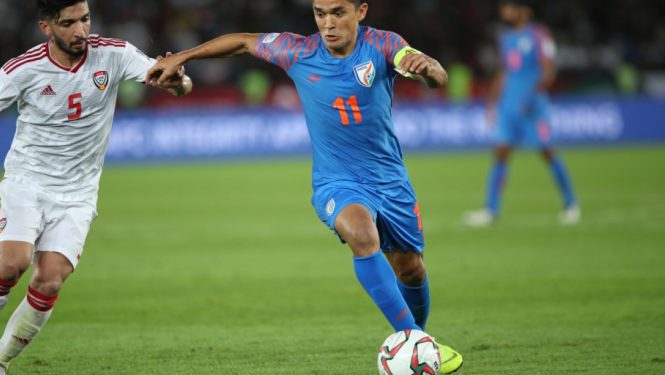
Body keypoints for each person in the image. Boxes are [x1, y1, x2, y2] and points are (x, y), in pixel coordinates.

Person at [146, 0, 463, 373]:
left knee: (411, 269)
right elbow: (243, 42)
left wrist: (428, 69)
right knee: (361, 235)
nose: (328, 23)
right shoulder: (298, 51)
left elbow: (437, 76)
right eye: (319, 13)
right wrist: (182, 56)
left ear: (361, 11)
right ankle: (415, 341)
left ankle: (420, 342)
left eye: (338, 12)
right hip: (336, 181)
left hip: (390, 181)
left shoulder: (383, 45)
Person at [0, 1, 191, 374]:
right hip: (28, 180)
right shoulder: (22, 69)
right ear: (47, 27)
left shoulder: (114, 54)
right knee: (13, 263)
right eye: (69, 23)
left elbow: (173, 80)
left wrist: (180, 82)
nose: (81, 30)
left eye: (85, 19)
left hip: (77, 193)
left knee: (50, 279)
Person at [464, 0, 579, 227]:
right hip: (508, 107)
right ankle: (491, 210)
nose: (504, 11)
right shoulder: (505, 39)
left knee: (547, 151)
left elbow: (548, 70)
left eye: (509, 7)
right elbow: (504, 72)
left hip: (532, 107)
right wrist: (492, 103)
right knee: (500, 153)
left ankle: (571, 204)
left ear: (524, 11)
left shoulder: (539, 35)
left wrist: (532, 97)